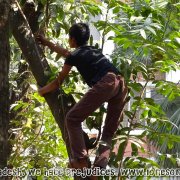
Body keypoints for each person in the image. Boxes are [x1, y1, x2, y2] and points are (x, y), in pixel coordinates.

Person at [37, 23, 128, 171]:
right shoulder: (91, 50)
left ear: (72, 39)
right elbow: (67, 53)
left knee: (72, 118)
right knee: (108, 133)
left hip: (107, 83)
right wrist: (47, 42)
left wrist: (42, 91)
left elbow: (58, 82)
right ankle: (97, 170)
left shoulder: (75, 55)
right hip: (121, 85)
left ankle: (81, 160)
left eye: (69, 38)